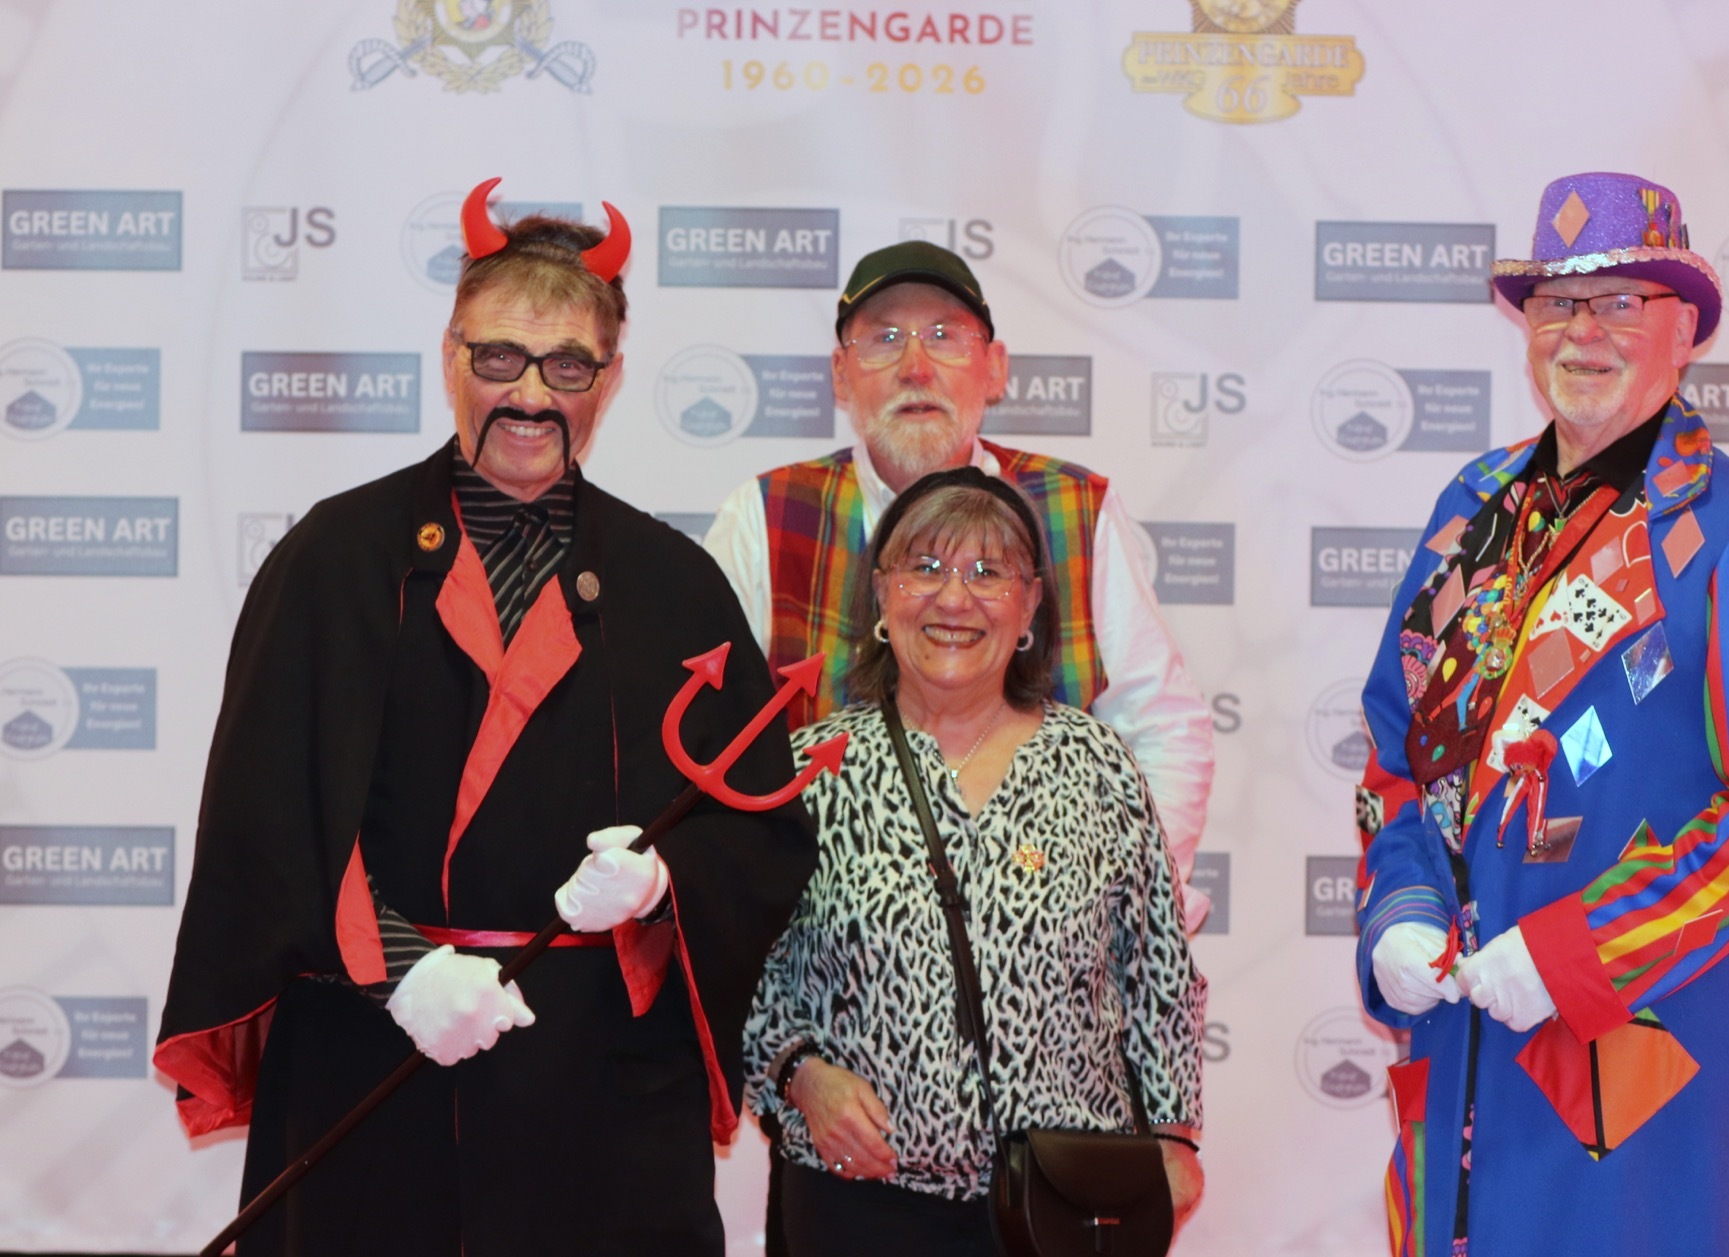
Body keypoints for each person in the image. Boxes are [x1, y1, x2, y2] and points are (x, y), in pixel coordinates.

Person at [152, 178, 816, 1256]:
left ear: (610, 377)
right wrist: (402, 966)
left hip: (597, 1101)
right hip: (373, 1056)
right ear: (450, 355)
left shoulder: (674, 582)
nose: (531, 396)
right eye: (500, 357)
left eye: (568, 366)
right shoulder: (334, 557)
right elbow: (266, 812)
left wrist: (665, 881)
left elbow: (760, 828)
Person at [1353, 171, 1729, 1257]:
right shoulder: (1470, 509)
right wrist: (1399, 903)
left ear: (1685, 331)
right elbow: (1398, 751)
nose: (1583, 332)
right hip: (1457, 1051)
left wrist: (1576, 954)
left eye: (1621, 302)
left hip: (1637, 1072)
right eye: (1556, 304)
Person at [742, 467, 1205, 1255]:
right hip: (860, 1198)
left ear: (1029, 606)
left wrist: (1174, 1133)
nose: (954, 598)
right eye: (924, 567)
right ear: (881, 594)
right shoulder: (813, 769)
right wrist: (799, 1074)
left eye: (988, 572)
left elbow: (1157, 962)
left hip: (1063, 1197)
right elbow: (744, 967)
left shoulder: (1094, 762)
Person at [703, 240, 1216, 931]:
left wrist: (1126, 901)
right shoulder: (766, 516)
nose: (915, 367)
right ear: (841, 375)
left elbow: (1162, 726)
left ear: (994, 367)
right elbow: (711, 744)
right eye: (885, 339)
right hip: (829, 946)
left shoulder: (1076, 508)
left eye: (945, 336)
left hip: (1038, 932)